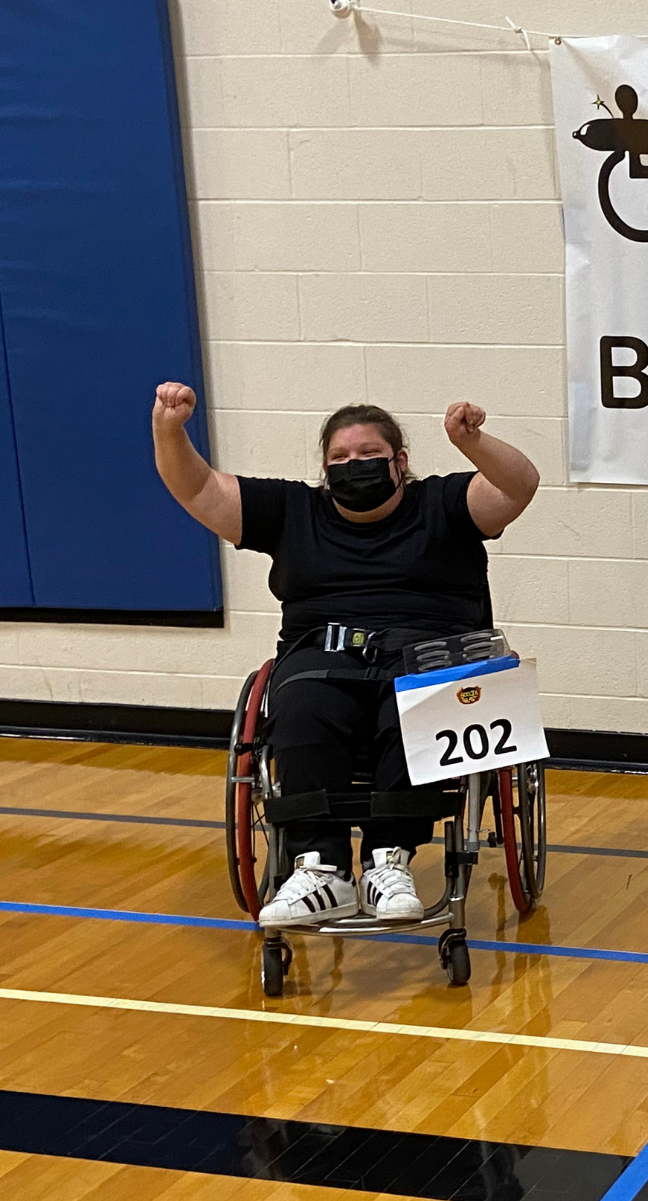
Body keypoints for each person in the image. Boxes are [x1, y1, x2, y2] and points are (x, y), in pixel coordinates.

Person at [151, 387, 540, 928]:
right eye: (339, 459)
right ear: (324, 469)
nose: (352, 466)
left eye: (367, 455)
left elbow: (520, 485)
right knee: (302, 703)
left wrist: (470, 443)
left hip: (428, 651)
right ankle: (321, 867)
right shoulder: (292, 510)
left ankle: (389, 861)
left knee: (416, 703)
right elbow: (196, 489)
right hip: (323, 653)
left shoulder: (442, 503)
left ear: (400, 461)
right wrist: (170, 429)